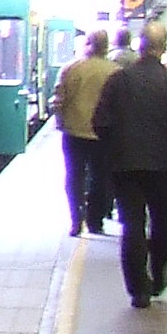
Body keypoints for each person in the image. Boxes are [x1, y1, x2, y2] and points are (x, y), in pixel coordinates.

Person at [93, 20, 167, 307]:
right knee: (163, 224)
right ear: (164, 47)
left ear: (140, 46)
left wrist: (117, 146)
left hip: (126, 166)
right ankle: (159, 277)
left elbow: (100, 122)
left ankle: (138, 290)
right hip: (166, 166)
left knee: (132, 225)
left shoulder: (118, 81)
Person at [55, 29, 120, 235]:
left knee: (74, 176)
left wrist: (60, 121)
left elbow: (59, 100)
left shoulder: (71, 69)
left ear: (88, 44)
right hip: (104, 134)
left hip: (74, 131)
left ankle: (76, 219)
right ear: (106, 46)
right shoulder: (116, 72)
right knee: (100, 178)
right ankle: (95, 221)